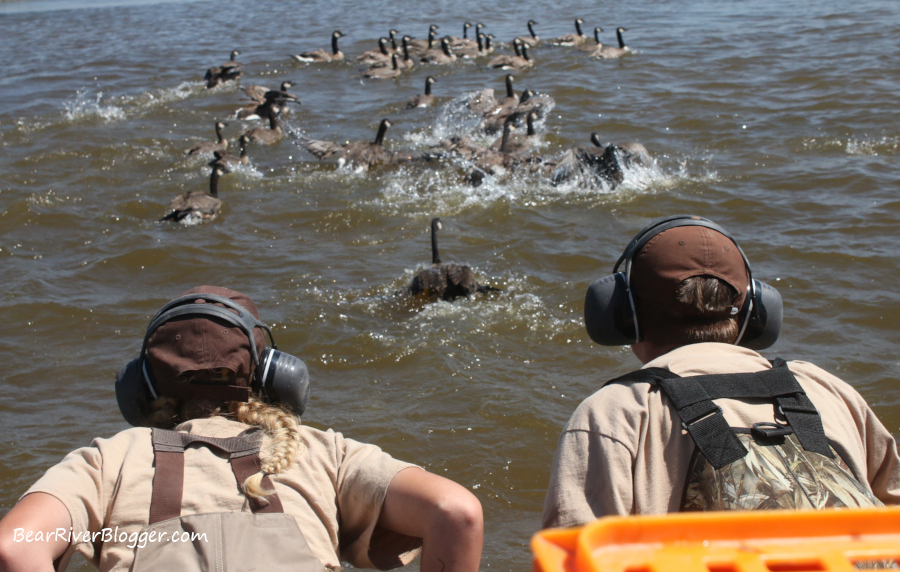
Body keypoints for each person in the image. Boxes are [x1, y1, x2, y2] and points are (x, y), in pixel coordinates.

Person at [0, 285, 483, 571]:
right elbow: (456, 512)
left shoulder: (112, 457)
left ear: (142, 387)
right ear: (273, 374)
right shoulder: (320, 451)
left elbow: (13, 548)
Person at [542, 215, 900, 528]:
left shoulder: (614, 413)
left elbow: (574, 554)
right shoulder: (827, 389)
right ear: (753, 313)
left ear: (623, 312)